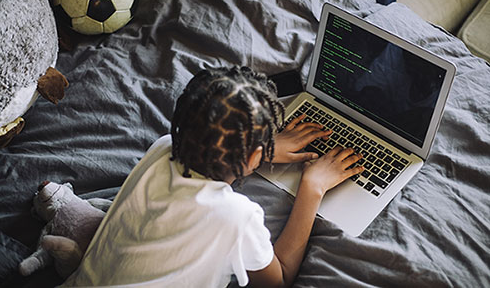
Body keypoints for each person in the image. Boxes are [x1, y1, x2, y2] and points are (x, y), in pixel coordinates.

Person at [62, 66, 364, 287]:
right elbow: (278, 280)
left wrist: (257, 152)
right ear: (253, 157)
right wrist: (312, 188)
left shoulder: (163, 148)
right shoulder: (236, 215)